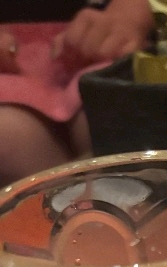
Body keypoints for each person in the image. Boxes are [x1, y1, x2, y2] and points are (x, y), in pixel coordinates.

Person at [0, 0, 154, 185]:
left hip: (121, 40)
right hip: (10, 61)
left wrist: (133, 11)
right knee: (9, 139)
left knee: (109, 115)